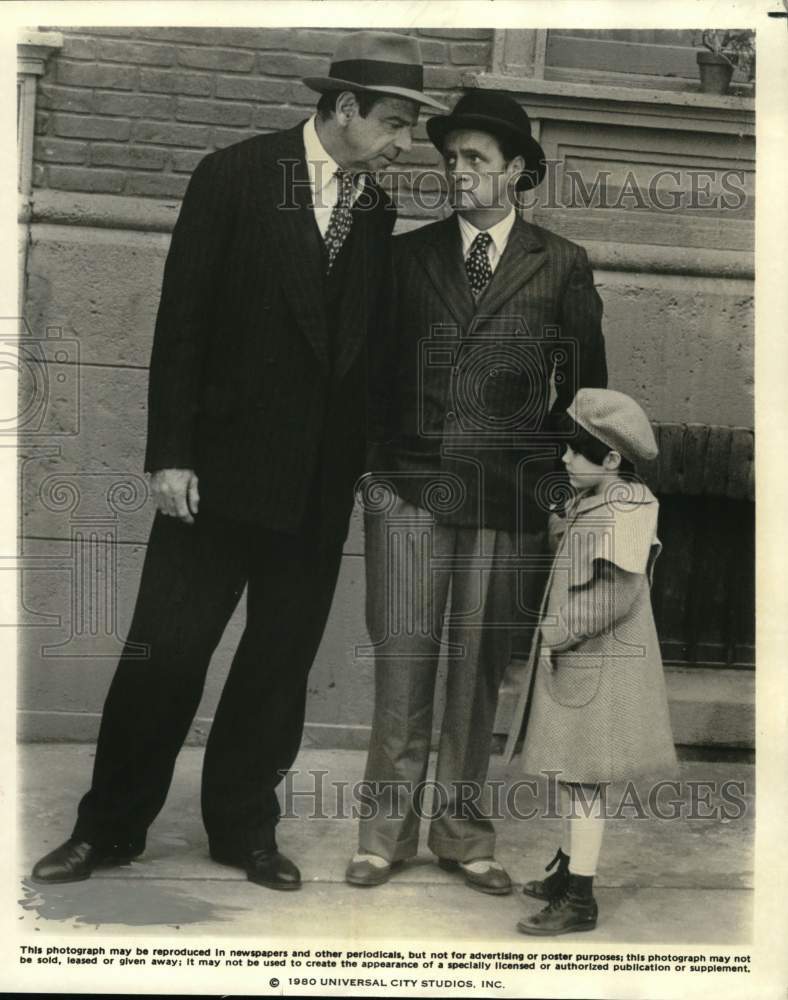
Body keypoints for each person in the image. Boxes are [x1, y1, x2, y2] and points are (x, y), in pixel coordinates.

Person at [30, 30, 446, 891]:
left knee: (277, 668)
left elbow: (359, 345)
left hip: (316, 485)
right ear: (344, 109)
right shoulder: (234, 174)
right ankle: (107, 829)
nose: (406, 142)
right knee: (165, 656)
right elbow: (182, 321)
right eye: (395, 122)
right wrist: (171, 455)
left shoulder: (375, 207)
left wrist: (368, 460)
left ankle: (244, 829)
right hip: (214, 477)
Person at [345, 90, 608, 895]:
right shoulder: (405, 257)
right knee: (404, 662)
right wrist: (375, 475)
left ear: (517, 170)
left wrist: (557, 478)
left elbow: (586, 388)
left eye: (476, 159)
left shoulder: (559, 263)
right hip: (409, 489)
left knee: (475, 670)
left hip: (506, 498)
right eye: (451, 158)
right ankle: (383, 837)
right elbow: (367, 375)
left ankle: (462, 835)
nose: (458, 172)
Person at [505, 388, 679, 935]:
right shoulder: (598, 499)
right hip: (582, 663)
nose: (564, 457)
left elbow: (616, 594)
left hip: (599, 664)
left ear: (610, 460)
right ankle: (568, 868)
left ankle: (580, 897)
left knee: (585, 780)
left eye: (576, 451)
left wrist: (559, 632)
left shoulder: (628, 508)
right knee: (573, 772)